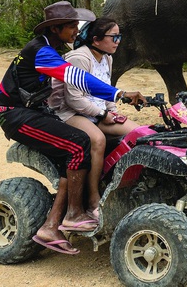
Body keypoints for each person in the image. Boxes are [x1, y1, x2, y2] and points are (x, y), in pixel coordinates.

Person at [0, 1, 146, 255]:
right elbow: (76, 78)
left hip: (35, 111)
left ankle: (51, 226)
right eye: (72, 26)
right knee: (78, 144)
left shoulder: (49, 48)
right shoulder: (41, 52)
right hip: (15, 114)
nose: (77, 30)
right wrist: (119, 93)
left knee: (72, 147)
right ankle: (75, 214)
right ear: (56, 28)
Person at [49, 17, 141, 220]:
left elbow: (106, 91)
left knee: (139, 134)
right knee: (97, 139)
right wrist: (103, 114)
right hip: (72, 113)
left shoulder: (107, 57)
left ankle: (124, 184)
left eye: (119, 36)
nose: (118, 41)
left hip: (98, 111)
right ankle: (93, 199)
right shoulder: (79, 59)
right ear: (96, 39)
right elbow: (73, 99)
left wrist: (112, 111)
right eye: (114, 37)